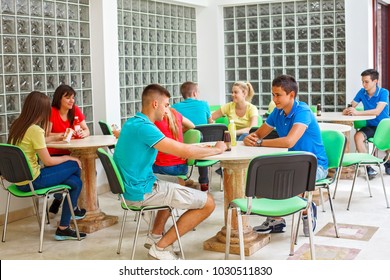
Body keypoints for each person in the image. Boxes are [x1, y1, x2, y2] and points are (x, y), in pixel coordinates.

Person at [114, 84, 226, 260]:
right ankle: (160, 247)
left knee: (174, 181)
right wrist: (218, 150)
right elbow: (184, 152)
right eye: (166, 105)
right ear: (155, 104)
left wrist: (200, 149)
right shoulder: (145, 128)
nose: (168, 110)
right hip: (140, 192)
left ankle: (156, 235)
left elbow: (180, 148)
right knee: (209, 203)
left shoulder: (132, 122)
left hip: (134, 186)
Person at [244, 75, 328, 237]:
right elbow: (259, 134)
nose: (275, 99)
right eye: (273, 95)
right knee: (261, 178)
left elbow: (289, 141)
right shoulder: (277, 112)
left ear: (291, 95)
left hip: (315, 166)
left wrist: (260, 143)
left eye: (278, 95)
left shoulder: (302, 111)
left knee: (291, 183)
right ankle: (276, 220)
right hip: (289, 163)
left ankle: (307, 208)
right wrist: (251, 138)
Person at [7, 91, 87, 240]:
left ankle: (64, 226)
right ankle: (72, 209)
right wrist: (67, 157)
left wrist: (57, 139)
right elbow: (48, 161)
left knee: (76, 182)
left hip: (18, 181)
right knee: (75, 165)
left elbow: (35, 148)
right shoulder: (35, 130)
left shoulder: (17, 125)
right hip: (34, 180)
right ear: (41, 110)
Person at [48, 84, 91, 215]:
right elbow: (45, 135)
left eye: (73, 97)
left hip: (72, 153)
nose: (72, 101)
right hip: (53, 155)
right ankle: (70, 204)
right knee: (76, 172)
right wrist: (62, 134)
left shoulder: (75, 110)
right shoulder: (51, 112)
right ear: (59, 99)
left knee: (79, 171)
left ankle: (59, 198)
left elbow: (86, 129)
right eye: (68, 98)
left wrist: (85, 133)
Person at [342, 69, 390, 179]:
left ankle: (388, 161)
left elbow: (377, 111)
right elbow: (351, 106)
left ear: (375, 81)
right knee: (358, 136)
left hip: (384, 127)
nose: (364, 84)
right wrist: (347, 110)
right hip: (371, 126)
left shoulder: (383, 93)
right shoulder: (361, 92)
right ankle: (368, 167)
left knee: (386, 142)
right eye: (362, 81)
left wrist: (357, 113)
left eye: (366, 82)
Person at [173, 81, 213, 191]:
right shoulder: (204, 104)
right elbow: (210, 123)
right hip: (203, 147)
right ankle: (204, 181)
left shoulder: (174, 107)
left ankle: (184, 178)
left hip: (184, 147)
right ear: (195, 93)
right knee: (203, 144)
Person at [153, 107, 195, 187]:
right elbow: (192, 125)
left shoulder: (154, 118)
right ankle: (181, 182)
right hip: (183, 167)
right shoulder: (176, 113)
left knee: (141, 171)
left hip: (165, 168)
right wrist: (178, 130)